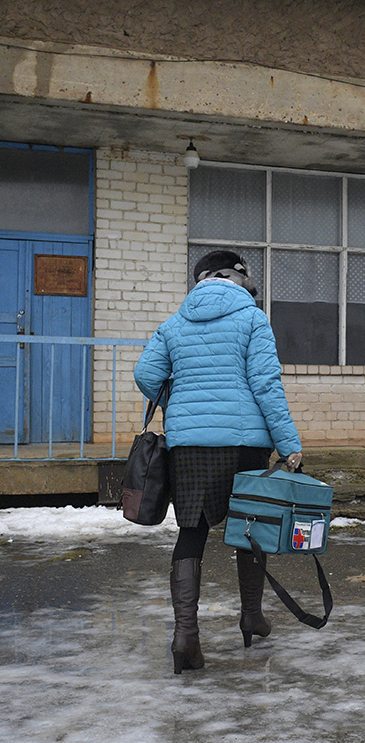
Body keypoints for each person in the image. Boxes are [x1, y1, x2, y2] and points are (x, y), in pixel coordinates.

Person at [134, 250, 303, 674]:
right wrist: (289, 444)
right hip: (244, 444)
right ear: (239, 278)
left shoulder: (175, 322)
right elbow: (265, 384)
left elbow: (146, 374)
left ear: (201, 281)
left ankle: (185, 637)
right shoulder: (252, 319)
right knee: (251, 527)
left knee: (191, 532)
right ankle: (251, 615)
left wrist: (182, 397)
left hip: (188, 447)